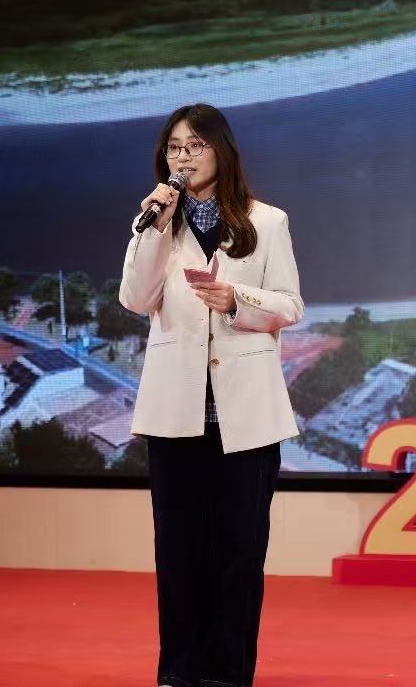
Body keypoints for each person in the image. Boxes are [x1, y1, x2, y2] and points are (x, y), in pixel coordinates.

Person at [119, 103, 303, 687]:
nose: (184, 157)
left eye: (195, 145)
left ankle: (227, 675)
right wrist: (153, 227)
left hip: (244, 417)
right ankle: (178, 673)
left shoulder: (266, 221)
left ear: (221, 150)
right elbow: (134, 298)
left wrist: (238, 301)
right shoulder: (155, 222)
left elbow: (291, 305)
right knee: (177, 553)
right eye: (175, 147)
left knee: (239, 553)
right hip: (175, 416)